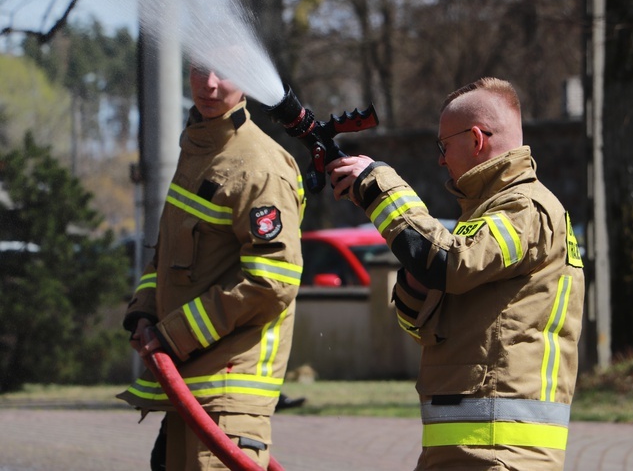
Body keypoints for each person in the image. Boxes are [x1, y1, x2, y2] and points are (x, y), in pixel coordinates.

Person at [327, 77, 585, 470]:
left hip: (500, 452)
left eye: (444, 145)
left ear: (477, 139)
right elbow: (423, 324)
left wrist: (380, 187)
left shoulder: (525, 208)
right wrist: (418, 275)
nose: (440, 160)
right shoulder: (484, 217)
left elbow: (454, 264)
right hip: (464, 451)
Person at [117, 63, 305, 471]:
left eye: (227, 71)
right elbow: (167, 253)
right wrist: (144, 311)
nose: (211, 84)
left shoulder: (259, 167)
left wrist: (173, 335)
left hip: (228, 390)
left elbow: (272, 281)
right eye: (201, 70)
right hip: (187, 386)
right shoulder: (201, 151)